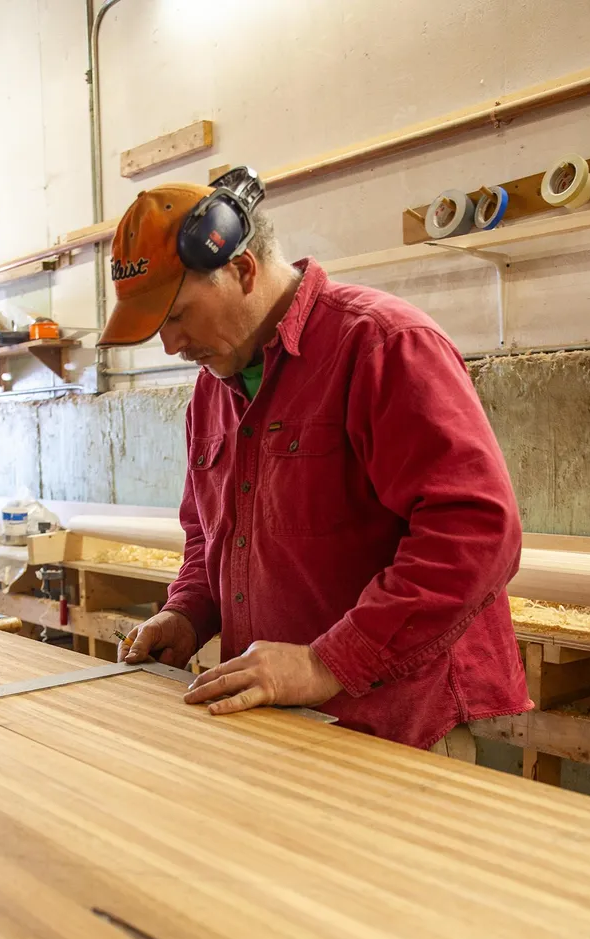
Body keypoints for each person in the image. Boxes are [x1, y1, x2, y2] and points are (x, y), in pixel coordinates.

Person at [98, 173, 531, 755]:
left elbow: (476, 530)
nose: (170, 345)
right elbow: (209, 536)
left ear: (242, 270)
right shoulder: (212, 388)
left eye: (176, 316)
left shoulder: (381, 344)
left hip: (397, 725)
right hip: (277, 720)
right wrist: (187, 613)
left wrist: (328, 663)